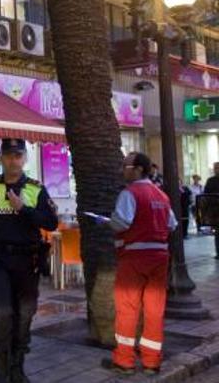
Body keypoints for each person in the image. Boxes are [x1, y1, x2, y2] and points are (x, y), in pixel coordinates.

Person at [0, 138, 58, 383]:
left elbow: (51, 222)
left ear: (25, 159)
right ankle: (0, 367)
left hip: (27, 261)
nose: (13, 160)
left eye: (18, 156)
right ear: (1, 158)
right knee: (0, 312)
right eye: (8, 155)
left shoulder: (35, 189)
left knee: (25, 315)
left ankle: (17, 367)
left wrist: (23, 209)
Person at [103, 152, 176, 375]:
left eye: (126, 166)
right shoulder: (161, 196)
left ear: (139, 170)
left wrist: (108, 222)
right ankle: (151, 362)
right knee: (154, 310)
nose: (122, 170)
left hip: (134, 258)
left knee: (127, 309)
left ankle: (124, 361)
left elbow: (120, 224)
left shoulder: (130, 193)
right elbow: (171, 225)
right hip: (160, 258)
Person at [204, 162, 219, 257]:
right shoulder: (210, 180)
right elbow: (206, 194)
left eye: (218, 167)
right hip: (215, 211)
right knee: (217, 233)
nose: (216, 169)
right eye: (215, 168)